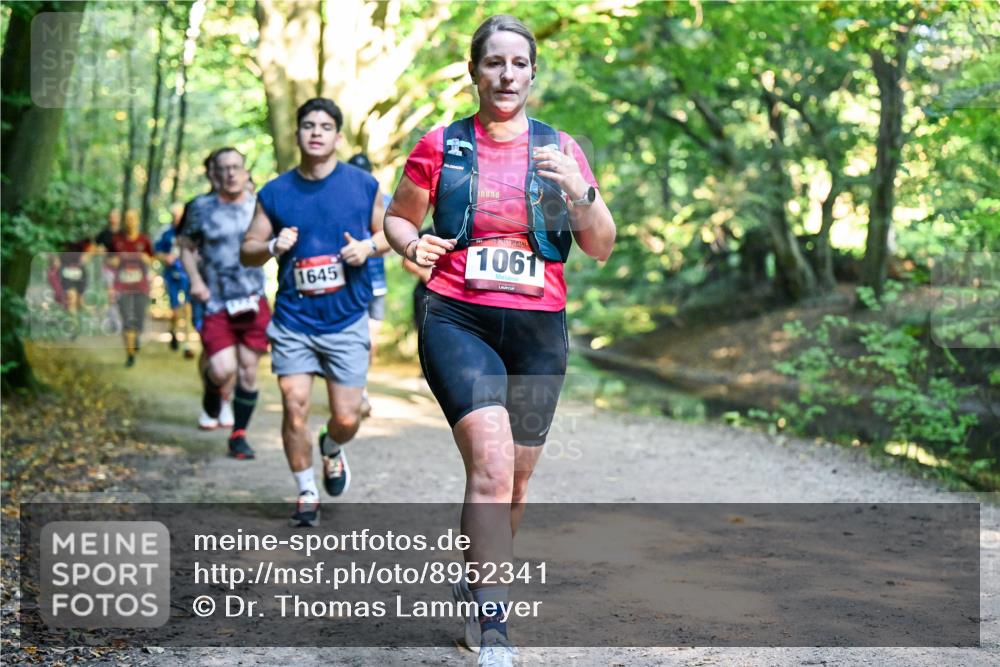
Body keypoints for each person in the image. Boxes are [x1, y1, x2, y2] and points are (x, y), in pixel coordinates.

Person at [383, 15, 615, 665]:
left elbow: (598, 244)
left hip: (540, 325)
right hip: (458, 315)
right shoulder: (442, 145)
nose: (506, 75)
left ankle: (476, 576)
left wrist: (580, 190)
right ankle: (494, 622)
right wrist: (413, 243)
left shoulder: (562, 149)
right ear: (474, 71)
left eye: (518, 63)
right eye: (494, 63)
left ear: (532, 73)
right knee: (489, 464)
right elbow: (399, 218)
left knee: (514, 481)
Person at [241, 97, 387, 527]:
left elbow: (394, 231)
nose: (317, 132)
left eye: (325, 126)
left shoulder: (363, 186)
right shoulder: (275, 192)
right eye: (308, 125)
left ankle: (332, 447)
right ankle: (306, 491)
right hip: (294, 321)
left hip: (345, 319)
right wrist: (271, 247)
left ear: (338, 137)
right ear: (298, 134)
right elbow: (248, 249)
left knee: (346, 416)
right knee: (294, 403)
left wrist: (368, 246)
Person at [179, 148, 268, 460]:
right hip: (216, 300)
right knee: (221, 369)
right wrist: (196, 281)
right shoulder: (201, 208)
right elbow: (187, 248)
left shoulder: (260, 205)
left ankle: (239, 436)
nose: (231, 173)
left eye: (236, 167)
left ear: (245, 172)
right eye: (224, 168)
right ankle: (212, 391)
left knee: (247, 371)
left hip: (253, 298)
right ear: (214, 174)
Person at [346, 152, 390, 418]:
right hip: (350, 282)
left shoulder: (384, 201)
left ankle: (360, 384)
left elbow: (393, 242)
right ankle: (357, 391)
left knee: (370, 341)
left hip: (377, 281)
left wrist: (370, 246)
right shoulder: (341, 199)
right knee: (357, 339)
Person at [109, 210, 154, 367]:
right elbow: (108, 262)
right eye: (127, 219)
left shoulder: (144, 241)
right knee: (127, 320)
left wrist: (144, 258)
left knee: (138, 321)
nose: (130, 222)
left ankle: (135, 337)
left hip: (141, 287)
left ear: (137, 221)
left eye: (133, 219)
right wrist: (115, 261)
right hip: (122, 287)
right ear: (124, 221)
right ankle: (130, 354)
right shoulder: (116, 241)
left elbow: (152, 260)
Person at [155, 204, 195, 358]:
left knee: (187, 308)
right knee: (175, 311)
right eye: (174, 216)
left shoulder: (190, 231)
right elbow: (157, 252)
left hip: (187, 274)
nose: (177, 218)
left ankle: (187, 344)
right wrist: (166, 257)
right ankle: (173, 331)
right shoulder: (166, 233)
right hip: (171, 275)